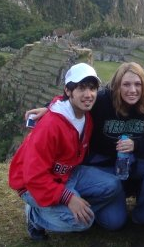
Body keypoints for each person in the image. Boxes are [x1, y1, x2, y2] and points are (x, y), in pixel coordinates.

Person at [26, 62, 144, 225]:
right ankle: (66, 210)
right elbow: (74, 102)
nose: (132, 90)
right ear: (116, 86)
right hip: (105, 166)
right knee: (113, 223)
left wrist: (136, 145)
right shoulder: (103, 101)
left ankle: (143, 212)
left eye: (138, 84)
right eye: (126, 84)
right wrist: (49, 108)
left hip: (135, 164)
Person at [9, 63, 124, 240]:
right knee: (83, 222)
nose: (88, 94)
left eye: (92, 88)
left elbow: (58, 102)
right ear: (68, 91)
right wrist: (68, 198)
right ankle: (35, 216)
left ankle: (66, 210)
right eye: (81, 88)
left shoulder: (86, 115)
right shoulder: (50, 126)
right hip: (32, 184)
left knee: (113, 185)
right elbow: (33, 176)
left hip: (67, 173)